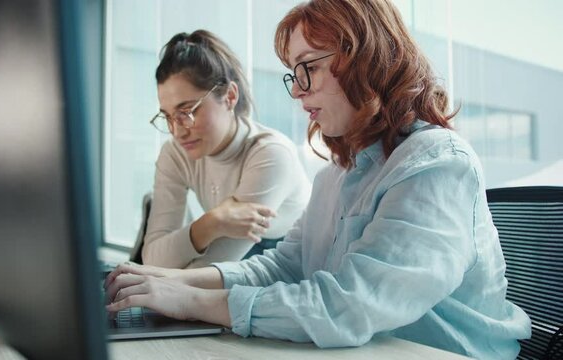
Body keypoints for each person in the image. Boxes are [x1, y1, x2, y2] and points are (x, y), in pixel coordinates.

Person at [105, 1, 531, 358]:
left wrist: (192, 301)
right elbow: (287, 266)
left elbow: (348, 304)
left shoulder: (436, 163)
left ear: (365, 59)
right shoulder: (336, 173)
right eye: (295, 73)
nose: (298, 91)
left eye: (308, 68)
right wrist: (168, 281)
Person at [140, 30, 311, 269]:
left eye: (187, 111)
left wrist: (205, 231)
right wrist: (211, 222)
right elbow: (153, 259)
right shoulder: (176, 152)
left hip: (288, 264)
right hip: (227, 254)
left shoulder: (271, 154)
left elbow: (208, 270)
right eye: (168, 116)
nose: (178, 131)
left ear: (230, 96)